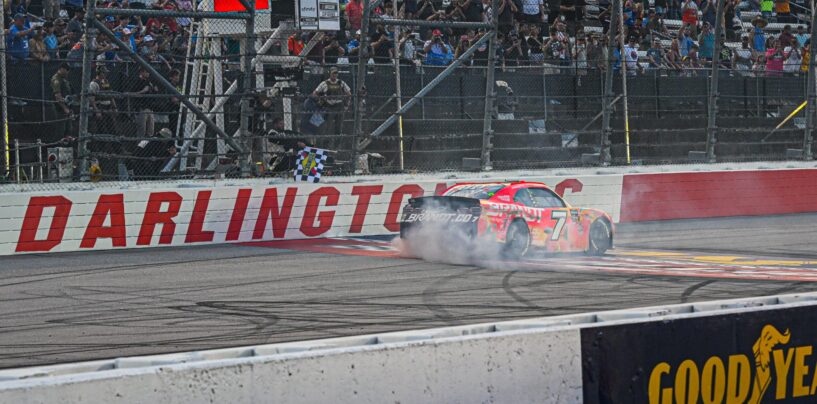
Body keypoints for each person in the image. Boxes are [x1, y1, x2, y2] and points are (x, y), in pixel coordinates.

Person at [312, 67, 352, 136]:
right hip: (328, 106)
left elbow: (349, 94)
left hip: (339, 106)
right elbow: (314, 93)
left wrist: (346, 105)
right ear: (329, 74)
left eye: (336, 73)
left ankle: (337, 141)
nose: (335, 75)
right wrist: (320, 100)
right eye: (333, 73)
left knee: (339, 127)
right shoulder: (324, 83)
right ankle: (324, 140)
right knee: (327, 126)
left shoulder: (341, 82)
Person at [51, 63, 75, 140]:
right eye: (66, 70)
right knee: (61, 129)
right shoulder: (56, 79)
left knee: (69, 129)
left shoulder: (64, 79)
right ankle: (58, 147)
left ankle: (66, 148)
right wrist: (64, 108)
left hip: (67, 106)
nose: (67, 72)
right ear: (62, 69)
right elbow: (57, 96)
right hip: (60, 108)